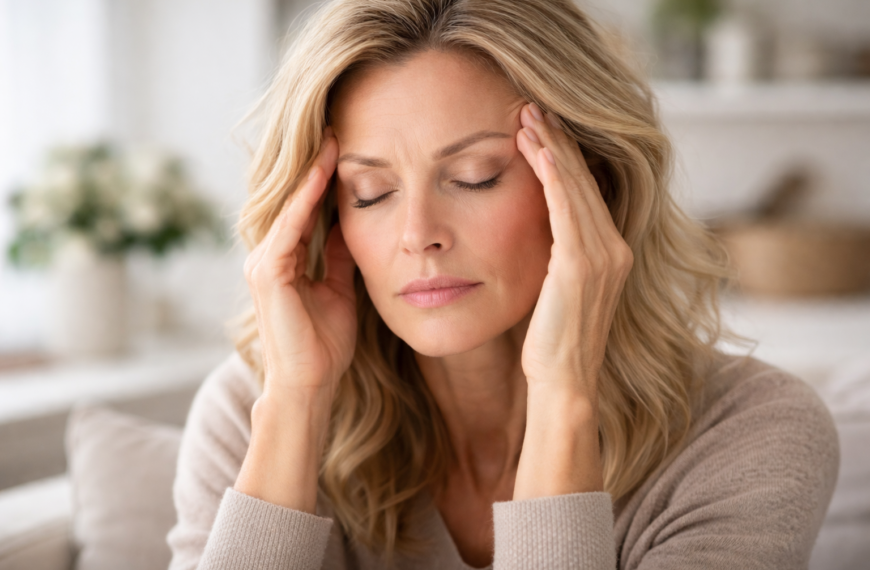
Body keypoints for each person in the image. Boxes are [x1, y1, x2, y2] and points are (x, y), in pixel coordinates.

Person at [166, 0, 839, 568]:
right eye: (370, 193)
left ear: (593, 181)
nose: (418, 233)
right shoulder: (250, 409)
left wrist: (564, 394)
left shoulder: (750, 431)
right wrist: (297, 407)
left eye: (475, 177)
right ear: (324, 218)